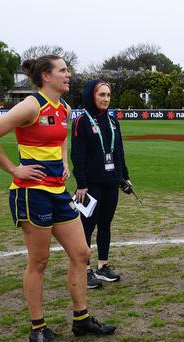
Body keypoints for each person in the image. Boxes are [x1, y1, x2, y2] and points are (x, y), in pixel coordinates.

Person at [0, 55, 116, 342]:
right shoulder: (30, 105)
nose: (69, 74)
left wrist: (63, 161)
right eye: (63, 70)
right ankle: (37, 328)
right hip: (31, 193)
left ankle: (81, 319)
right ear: (46, 76)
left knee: (80, 253)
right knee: (38, 262)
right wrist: (14, 169)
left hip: (58, 190)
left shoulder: (63, 107)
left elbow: (60, 139)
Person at [71, 80, 130, 288]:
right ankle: (85, 270)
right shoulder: (81, 121)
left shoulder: (113, 121)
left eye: (108, 95)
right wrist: (81, 184)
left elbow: (119, 152)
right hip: (90, 185)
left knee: (105, 224)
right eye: (101, 95)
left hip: (111, 182)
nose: (106, 99)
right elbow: (77, 156)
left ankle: (102, 266)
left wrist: (124, 176)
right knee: (86, 227)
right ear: (91, 96)